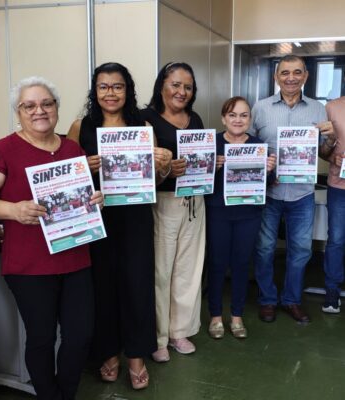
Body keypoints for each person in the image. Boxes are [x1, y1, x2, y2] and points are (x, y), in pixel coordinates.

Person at [0, 76, 103, 400]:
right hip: (28, 263)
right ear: (18, 112)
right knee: (42, 338)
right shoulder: (2, 151)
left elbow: (77, 195)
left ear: (56, 107)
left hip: (75, 258)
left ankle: (65, 393)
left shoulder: (71, 148)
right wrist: (12, 210)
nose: (39, 111)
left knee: (80, 336)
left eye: (46, 103)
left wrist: (93, 200)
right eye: (28, 106)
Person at [67, 62, 171, 390]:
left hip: (135, 216)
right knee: (102, 286)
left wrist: (163, 166)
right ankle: (108, 352)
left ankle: (137, 355)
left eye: (117, 86)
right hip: (96, 218)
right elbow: (66, 178)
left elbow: (154, 181)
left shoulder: (143, 126)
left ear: (128, 91)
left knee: (138, 284)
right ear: (95, 91)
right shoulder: (80, 127)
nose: (110, 93)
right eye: (103, 86)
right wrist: (83, 167)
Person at [250, 54, 334, 323]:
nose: (291, 78)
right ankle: (267, 300)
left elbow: (323, 153)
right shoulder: (261, 107)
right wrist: (265, 168)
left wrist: (331, 139)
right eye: (285, 72)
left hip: (302, 193)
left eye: (297, 72)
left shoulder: (318, 109)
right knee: (264, 248)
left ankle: (291, 300)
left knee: (301, 250)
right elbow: (249, 147)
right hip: (269, 192)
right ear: (276, 77)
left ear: (305, 76)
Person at [141, 62, 205, 362]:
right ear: (162, 86)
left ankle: (180, 331)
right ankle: (158, 336)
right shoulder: (144, 119)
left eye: (188, 87)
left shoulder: (196, 119)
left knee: (188, 270)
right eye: (175, 84)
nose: (182, 92)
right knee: (161, 271)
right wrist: (167, 170)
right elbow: (141, 170)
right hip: (163, 203)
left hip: (194, 201)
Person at [205, 96, 276, 339]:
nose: (238, 120)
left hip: (249, 214)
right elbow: (197, 180)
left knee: (242, 264)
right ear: (223, 118)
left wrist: (269, 170)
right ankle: (215, 316)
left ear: (250, 119)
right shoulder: (212, 144)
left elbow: (266, 184)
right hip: (218, 212)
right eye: (232, 115)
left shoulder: (258, 145)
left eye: (243, 115)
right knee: (216, 264)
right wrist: (211, 167)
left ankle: (237, 316)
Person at [320, 96, 344, 313]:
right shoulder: (331, 108)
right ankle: (332, 293)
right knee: (336, 240)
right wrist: (332, 159)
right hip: (339, 187)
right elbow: (321, 150)